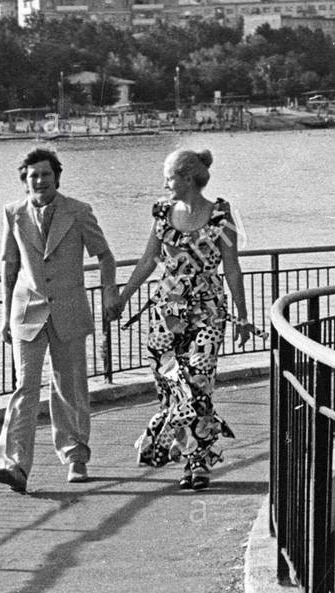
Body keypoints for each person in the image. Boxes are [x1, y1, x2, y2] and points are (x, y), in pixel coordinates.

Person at [114, 148, 259, 491]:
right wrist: (123, 297)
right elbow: (148, 260)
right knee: (172, 386)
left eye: (170, 177)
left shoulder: (221, 216)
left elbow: (233, 267)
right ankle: (190, 453)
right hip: (167, 313)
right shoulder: (163, 214)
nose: (165, 184)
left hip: (208, 311)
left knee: (197, 380)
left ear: (188, 178)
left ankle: (196, 460)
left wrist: (242, 315)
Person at [0, 148, 119, 493]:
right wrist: (5, 316)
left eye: (46, 174)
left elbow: (105, 256)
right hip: (27, 311)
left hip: (69, 310)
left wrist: (109, 294)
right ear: (25, 180)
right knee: (25, 386)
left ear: (56, 177)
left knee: (69, 385)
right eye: (34, 176)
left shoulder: (78, 212)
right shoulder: (13, 213)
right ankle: (14, 464)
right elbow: (9, 266)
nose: (40, 181)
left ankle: (76, 456)